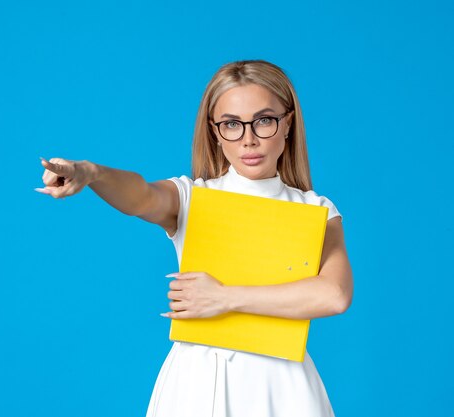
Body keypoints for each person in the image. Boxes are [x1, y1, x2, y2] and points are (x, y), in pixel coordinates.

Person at [35, 59, 353, 417]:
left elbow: (334, 294)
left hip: (283, 388)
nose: (248, 139)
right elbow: (140, 195)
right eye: (232, 124)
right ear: (215, 132)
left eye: (264, 120)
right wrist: (91, 173)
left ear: (288, 123)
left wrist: (224, 298)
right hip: (198, 385)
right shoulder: (192, 198)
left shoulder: (316, 209)